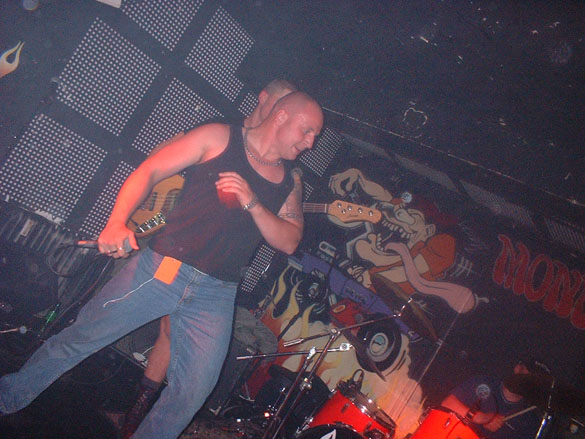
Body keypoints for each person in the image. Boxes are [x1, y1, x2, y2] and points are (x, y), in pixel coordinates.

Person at [0, 91, 323, 439]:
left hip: (216, 295)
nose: (310, 142)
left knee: (192, 392)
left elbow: (289, 240)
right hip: (164, 268)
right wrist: (116, 222)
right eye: (307, 131)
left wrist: (253, 203)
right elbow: (150, 169)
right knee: (81, 338)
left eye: (315, 136)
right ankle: (8, 398)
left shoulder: (289, 181)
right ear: (282, 116)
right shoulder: (220, 137)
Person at [120, 79, 298, 438]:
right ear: (264, 99)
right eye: (281, 106)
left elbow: (286, 231)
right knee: (137, 315)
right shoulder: (221, 129)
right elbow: (161, 155)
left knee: (171, 331)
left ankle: (138, 410)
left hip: (208, 261)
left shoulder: (280, 168)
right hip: (172, 235)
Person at [440, 359, 547, 439]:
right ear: (518, 368)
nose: (531, 381)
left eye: (536, 379)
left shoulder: (529, 420)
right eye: (530, 375)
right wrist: (481, 418)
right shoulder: (485, 383)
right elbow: (447, 403)